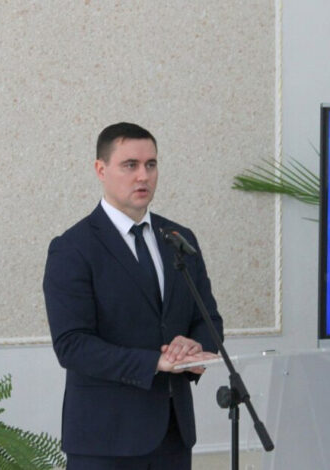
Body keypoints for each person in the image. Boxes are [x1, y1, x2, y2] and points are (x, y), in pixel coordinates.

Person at [43, 122, 224, 469]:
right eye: (130, 165)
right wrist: (155, 362)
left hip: (173, 435)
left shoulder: (179, 238)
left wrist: (194, 346)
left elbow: (208, 319)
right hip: (104, 441)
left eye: (151, 164)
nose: (143, 176)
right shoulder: (73, 248)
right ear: (101, 169)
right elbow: (72, 344)